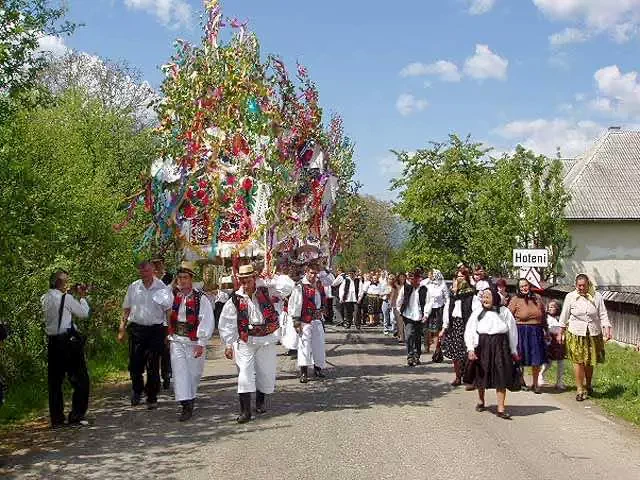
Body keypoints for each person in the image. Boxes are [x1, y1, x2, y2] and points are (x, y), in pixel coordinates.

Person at [218, 264, 294, 423]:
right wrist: (228, 343)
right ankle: (245, 411)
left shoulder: (267, 290)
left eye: (248, 280)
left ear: (254, 278)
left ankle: (260, 401)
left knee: (265, 373)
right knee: (244, 374)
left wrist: (271, 278)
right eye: (242, 281)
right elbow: (227, 322)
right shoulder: (236, 299)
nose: (245, 284)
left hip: (266, 339)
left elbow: (288, 287)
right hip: (245, 340)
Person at [154, 261, 214, 421]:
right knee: (179, 372)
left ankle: (191, 397)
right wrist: (171, 285)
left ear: (191, 279)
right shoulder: (173, 295)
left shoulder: (201, 298)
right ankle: (185, 405)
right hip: (177, 340)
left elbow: (206, 320)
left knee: (194, 373)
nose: (182, 281)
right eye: (180, 278)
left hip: (194, 340)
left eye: (185, 277)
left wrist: (201, 343)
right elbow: (158, 298)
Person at [42, 270, 91, 428]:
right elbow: (83, 314)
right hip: (68, 342)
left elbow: (58, 309)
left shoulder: (44, 298)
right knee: (81, 380)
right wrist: (82, 297)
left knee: (55, 382)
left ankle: (57, 418)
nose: (67, 284)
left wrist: (68, 293)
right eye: (66, 281)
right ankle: (76, 415)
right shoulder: (67, 298)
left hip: (53, 342)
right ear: (60, 283)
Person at [119, 261, 168, 409]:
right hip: (137, 330)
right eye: (141, 271)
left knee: (153, 365)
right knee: (135, 364)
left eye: (146, 271)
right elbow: (126, 309)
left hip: (155, 330)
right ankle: (137, 391)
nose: (144, 274)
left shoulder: (161, 287)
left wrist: (169, 332)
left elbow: (168, 311)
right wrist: (121, 329)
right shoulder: (134, 287)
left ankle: (152, 396)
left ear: (152, 270)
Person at [464, 288, 519, 419]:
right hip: (483, 345)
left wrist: (514, 350)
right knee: (481, 374)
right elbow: (470, 330)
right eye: (483, 297)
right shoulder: (477, 312)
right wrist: (470, 348)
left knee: (501, 375)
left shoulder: (504, 311)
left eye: (487, 297)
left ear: (495, 297)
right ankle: (481, 401)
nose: (485, 299)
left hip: (500, 345)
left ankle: (501, 408)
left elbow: (512, 331)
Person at [559, 273, 613, 402]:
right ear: (576, 285)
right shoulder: (570, 297)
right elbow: (564, 315)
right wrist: (560, 332)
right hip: (576, 332)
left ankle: (588, 385)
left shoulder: (597, 296)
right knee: (578, 361)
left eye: (584, 285)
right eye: (579, 286)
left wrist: (606, 327)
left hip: (593, 333)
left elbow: (603, 314)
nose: (581, 288)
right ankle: (579, 389)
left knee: (589, 361)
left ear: (588, 284)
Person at [508, 278, 547, 394]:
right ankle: (521, 381)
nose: (524, 288)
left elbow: (543, 315)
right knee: (521, 357)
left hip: (536, 331)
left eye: (526, 285)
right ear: (518, 288)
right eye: (521, 287)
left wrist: (546, 330)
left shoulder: (537, 298)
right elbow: (508, 316)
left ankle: (535, 384)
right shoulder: (515, 300)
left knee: (536, 359)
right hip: (521, 330)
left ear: (529, 286)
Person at [290, 264, 326, 383]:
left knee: (319, 345)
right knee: (304, 346)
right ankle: (304, 372)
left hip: (317, 319)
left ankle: (318, 368)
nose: (313, 275)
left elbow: (324, 294)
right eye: (311, 273)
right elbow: (294, 304)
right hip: (305, 320)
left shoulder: (319, 284)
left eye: (315, 273)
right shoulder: (300, 286)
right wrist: (296, 321)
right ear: (306, 272)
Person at [440, 267, 475, 386]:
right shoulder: (452, 295)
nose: (459, 279)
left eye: (462, 276)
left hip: (466, 325)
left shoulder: (471, 294)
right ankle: (457, 376)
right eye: (458, 277)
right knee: (455, 354)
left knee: (466, 352)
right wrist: (444, 328)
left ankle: (468, 376)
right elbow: (447, 310)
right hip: (454, 325)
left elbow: (475, 312)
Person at [396, 270, 428, 367]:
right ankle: (410, 356)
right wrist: (399, 310)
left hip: (419, 316)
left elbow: (428, 302)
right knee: (409, 335)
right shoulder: (405, 288)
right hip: (408, 315)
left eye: (415, 278)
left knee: (418, 337)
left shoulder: (424, 289)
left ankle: (417, 355)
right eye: (411, 278)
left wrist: (426, 314)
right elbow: (399, 300)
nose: (413, 280)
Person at [152, 257, 173, 390]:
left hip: (166, 317)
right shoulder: (149, 280)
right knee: (152, 350)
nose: (157, 266)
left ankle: (166, 373)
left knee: (165, 349)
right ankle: (154, 376)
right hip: (153, 318)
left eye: (159, 263)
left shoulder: (169, 277)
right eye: (154, 263)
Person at [539, 300, 565, 390]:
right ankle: (540, 376)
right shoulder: (545, 318)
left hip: (560, 341)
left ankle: (559, 382)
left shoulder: (561, 318)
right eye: (550, 307)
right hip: (549, 340)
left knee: (561, 362)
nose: (551, 308)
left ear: (557, 308)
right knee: (548, 362)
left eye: (553, 307)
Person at [424, 269, 449, 354]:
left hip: (440, 309)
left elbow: (447, 298)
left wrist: (447, 308)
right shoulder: (429, 286)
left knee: (438, 328)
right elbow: (427, 300)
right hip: (430, 309)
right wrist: (426, 312)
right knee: (428, 328)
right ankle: (427, 345)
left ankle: (438, 347)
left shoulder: (443, 285)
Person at [393, 274, 407, 343]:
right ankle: (401, 336)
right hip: (397, 306)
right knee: (399, 322)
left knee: (406, 322)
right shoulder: (395, 286)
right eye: (400, 277)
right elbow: (393, 296)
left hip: (406, 306)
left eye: (403, 277)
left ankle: (405, 336)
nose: (402, 279)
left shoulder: (407, 286)